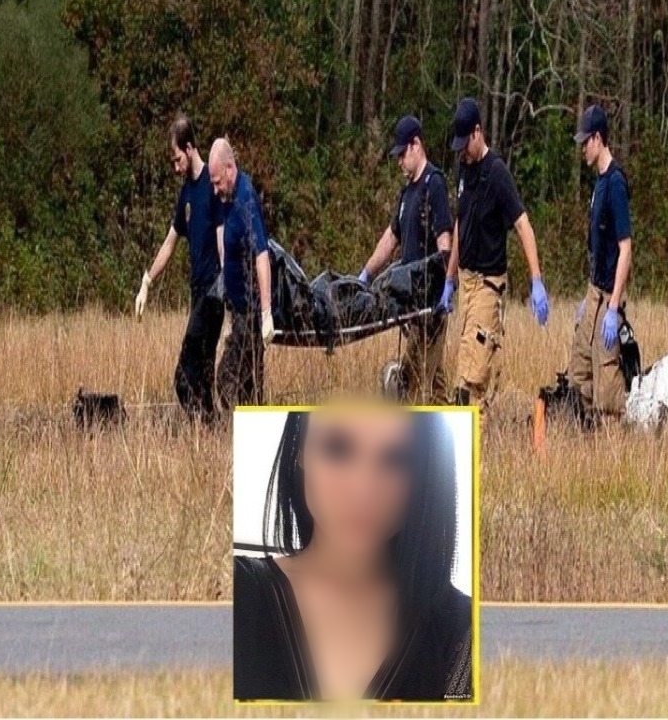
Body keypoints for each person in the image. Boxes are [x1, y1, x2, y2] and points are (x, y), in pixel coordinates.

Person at [233, 408, 472, 702]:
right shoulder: (236, 593)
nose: (364, 490)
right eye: (338, 449)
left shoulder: (464, 633)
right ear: (300, 449)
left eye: (398, 459)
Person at [438, 97, 549, 408]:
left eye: (465, 144)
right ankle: (477, 427)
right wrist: (450, 279)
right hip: (466, 282)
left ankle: (471, 432)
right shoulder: (463, 169)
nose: (462, 151)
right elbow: (460, 223)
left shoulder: (497, 172)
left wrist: (536, 280)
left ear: (478, 132)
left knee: (471, 377)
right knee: (470, 363)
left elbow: (523, 225)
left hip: (488, 285)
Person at [134, 114, 223, 423]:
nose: (175, 167)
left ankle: (204, 425)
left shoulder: (212, 185)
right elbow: (170, 242)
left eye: (177, 160)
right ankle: (210, 430)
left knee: (184, 376)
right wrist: (147, 281)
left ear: (189, 148)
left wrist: (228, 282)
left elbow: (224, 238)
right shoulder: (186, 193)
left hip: (213, 293)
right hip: (196, 292)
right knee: (203, 375)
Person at [358, 115, 453, 404]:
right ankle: (449, 423)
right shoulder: (407, 193)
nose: (399, 161)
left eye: (402, 154)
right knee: (435, 385)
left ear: (416, 145)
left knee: (413, 381)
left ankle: (413, 430)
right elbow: (391, 237)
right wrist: (365, 274)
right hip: (411, 304)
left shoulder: (434, 184)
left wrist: (446, 285)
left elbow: (445, 239)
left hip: (430, 304)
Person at [568, 104, 633, 419]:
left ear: (598, 138)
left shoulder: (616, 183)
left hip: (610, 296)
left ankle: (613, 433)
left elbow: (625, 248)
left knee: (606, 384)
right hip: (594, 292)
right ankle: (583, 431)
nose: (583, 148)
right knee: (579, 370)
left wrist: (613, 307)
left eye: (585, 141)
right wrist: (588, 298)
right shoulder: (598, 183)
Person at [207, 137, 274, 408]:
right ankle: (251, 425)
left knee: (227, 379)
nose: (215, 190)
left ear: (230, 168)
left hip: (251, 314)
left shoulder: (245, 199)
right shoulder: (228, 195)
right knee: (249, 390)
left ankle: (239, 426)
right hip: (238, 313)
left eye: (217, 182)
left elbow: (262, 254)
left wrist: (266, 314)